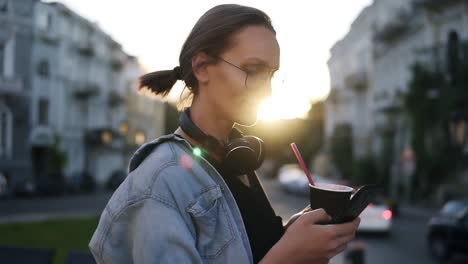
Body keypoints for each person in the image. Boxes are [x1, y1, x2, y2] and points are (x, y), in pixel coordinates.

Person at [89, 4, 360, 264]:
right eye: (253, 71)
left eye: (271, 75)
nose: (267, 91)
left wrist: (295, 237)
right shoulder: (158, 184)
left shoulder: (235, 160)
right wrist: (288, 257)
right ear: (202, 67)